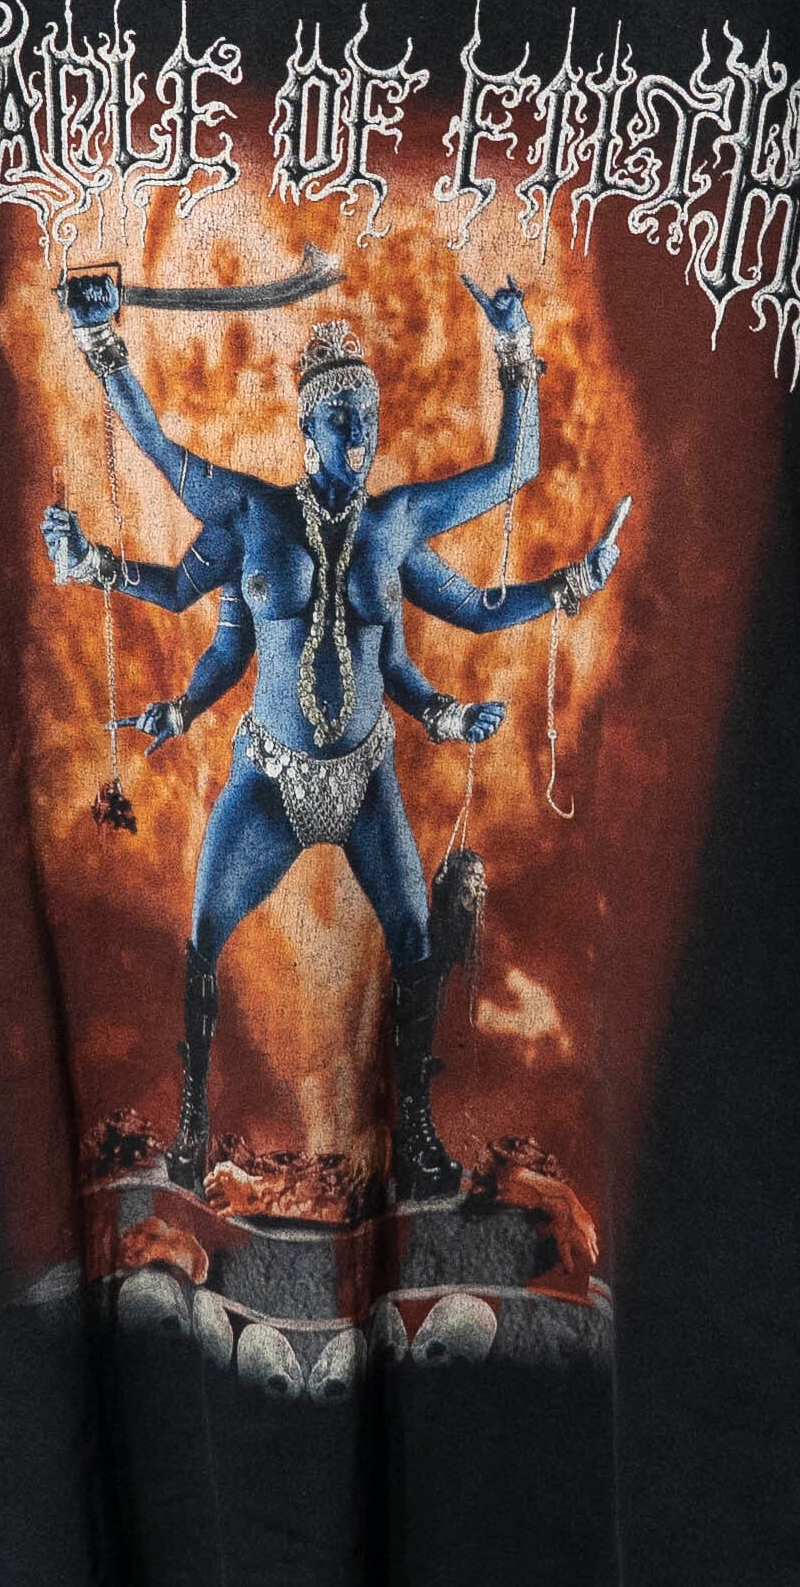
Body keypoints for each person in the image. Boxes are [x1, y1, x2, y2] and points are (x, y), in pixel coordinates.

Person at [41, 270, 626, 1200]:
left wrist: (516, 351)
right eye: (342, 419)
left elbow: (502, 513)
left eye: (369, 420)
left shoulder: (395, 526)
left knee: (415, 940)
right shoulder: (252, 514)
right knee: (202, 933)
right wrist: (103, 345)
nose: (360, 436)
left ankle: (416, 1133)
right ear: (305, 426)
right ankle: (192, 1126)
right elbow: (156, 452)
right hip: (269, 779)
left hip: (363, 781)